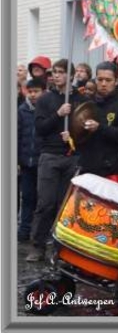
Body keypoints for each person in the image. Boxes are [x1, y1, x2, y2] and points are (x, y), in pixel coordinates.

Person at [26, 59, 86, 262]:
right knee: (46, 203)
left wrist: (74, 134)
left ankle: (60, 247)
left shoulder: (81, 99)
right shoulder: (45, 99)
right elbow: (40, 128)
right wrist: (58, 115)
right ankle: (37, 245)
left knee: (65, 205)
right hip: (50, 155)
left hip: (71, 156)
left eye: (61, 72)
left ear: (71, 75)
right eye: (55, 72)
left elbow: (87, 127)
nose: (57, 75)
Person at [74, 61, 118, 182]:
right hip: (86, 167)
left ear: (116, 81)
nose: (103, 84)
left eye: (108, 80)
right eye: (100, 79)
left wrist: (100, 128)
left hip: (111, 171)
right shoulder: (87, 104)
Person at [17, 78, 46, 243]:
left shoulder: (47, 110)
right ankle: (24, 230)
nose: (33, 95)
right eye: (30, 91)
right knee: (27, 197)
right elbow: (17, 136)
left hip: (42, 161)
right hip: (26, 162)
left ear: (43, 91)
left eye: (36, 91)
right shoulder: (22, 111)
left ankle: (38, 232)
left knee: (42, 199)